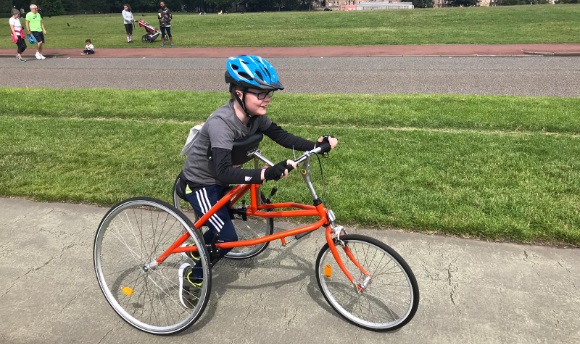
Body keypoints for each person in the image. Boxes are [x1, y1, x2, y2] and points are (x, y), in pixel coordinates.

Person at [177, 55, 338, 308]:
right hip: (199, 184)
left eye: (269, 93)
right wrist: (265, 174)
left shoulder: (256, 118)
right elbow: (222, 172)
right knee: (227, 235)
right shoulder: (222, 123)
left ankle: (198, 246)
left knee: (223, 221)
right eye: (260, 93)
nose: (267, 98)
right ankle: (193, 276)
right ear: (239, 93)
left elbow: (282, 137)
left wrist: (316, 145)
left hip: (219, 182)